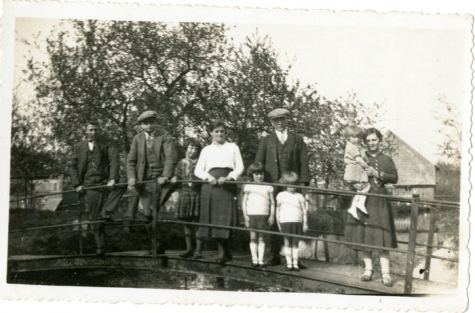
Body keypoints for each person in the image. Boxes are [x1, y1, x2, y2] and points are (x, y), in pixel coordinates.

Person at [254, 108, 310, 267]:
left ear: (287, 120)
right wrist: (260, 184)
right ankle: (274, 256)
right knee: (274, 219)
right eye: (275, 120)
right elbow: (259, 163)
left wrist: (304, 184)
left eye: (282, 119)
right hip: (273, 186)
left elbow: (304, 163)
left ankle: (294, 259)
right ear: (271, 122)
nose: (279, 123)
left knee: (294, 220)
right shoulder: (266, 140)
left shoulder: (297, 140)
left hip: (293, 187)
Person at [344, 128, 399, 287]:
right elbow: (350, 172)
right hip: (364, 199)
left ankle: (385, 273)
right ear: (364, 142)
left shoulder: (386, 158)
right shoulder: (360, 155)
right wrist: (354, 185)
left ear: (379, 140)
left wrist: (377, 173)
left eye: (374, 140)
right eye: (368, 140)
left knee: (382, 236)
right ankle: (368, 270)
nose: (371, 143)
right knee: (365, 234)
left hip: (380, 200)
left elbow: (394, 178)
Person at [70, 120, 125, 255]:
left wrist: (112, 178)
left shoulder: (107, 143)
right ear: (86, 130)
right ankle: (100, 247)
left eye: (96, 130)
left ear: (99, 131)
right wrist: (77, 184)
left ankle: (107, 211)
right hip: (89, 184)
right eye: (91, 130)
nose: (93, 133)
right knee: (95, 216)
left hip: (105, 180)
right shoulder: (79, 146)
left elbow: (114, 160)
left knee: (123, 182)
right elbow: (72, 166)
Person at [126, 110, 178, 255]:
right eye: (145, 123)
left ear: (156, 123)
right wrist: (131, 177)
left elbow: (170, 157)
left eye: (151, 122)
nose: (149, 125)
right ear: (141, 125)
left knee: (152, 212)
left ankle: (157, 247)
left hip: (162, 182)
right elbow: (130, 161)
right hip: (145, 183)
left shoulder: (164, 136)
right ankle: (157, 246)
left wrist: (165, 175)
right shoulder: (137, 139)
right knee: (148, 214)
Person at [194, 119, 244, 264]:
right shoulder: (206, 150)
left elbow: (240, 167)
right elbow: (198, 170)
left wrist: (230, 177)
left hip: (227, 185)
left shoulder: (233, 147)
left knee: (225, 218)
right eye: (216, 131)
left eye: (222, 131)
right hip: (211, 186)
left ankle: (226, 251)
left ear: (225, 132)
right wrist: (207, 176)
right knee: (214, 219)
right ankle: (222, 252)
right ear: (211, 133)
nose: (220, 134)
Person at [170, 138, 203, 259]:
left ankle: (198, 250)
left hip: (196, 194)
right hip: (184, 194)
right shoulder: (180, 163)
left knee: (198, 222)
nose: (193, 151)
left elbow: (204, 177)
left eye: (196, 148)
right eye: (191, 147)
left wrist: (196, 182)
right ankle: (189, 248)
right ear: (186, 148)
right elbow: (177, 177)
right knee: (186, 223)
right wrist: (174, 179)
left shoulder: (200, 162)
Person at [242, 162, 275, 268]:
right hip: (252, 214)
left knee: (261, 238)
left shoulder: (268, 186)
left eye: (261, 174)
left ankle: (261, 260)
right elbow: (244, 202)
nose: (259, 176)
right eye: (256, 174)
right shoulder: (249, 186)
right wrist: (245, 216)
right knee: (253, 238)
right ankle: (254, 259)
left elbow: (272, 202)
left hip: (263, 215)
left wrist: (272, 215)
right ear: (252, 175)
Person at [276, 171, 308, 271]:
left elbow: (304, 211)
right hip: (285, 222)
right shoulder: (281, 195)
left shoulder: (299, 196)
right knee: (287, 243)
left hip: (297, 222)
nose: (292, 187)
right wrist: (278, 223)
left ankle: (295, 264)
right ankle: (289, 264)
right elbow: (278, 210)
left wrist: (305, 223)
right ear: (285, 184)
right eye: (289, 185)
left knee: (295, 244)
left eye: (294, 185)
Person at [342, 126, 371, 220]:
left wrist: (363, 153)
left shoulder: (356, 147)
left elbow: (366, 159)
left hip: (355, 172)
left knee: (360, 189)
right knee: (367, 186)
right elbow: (359, 160)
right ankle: (360, 204)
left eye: (358, 137)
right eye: (353, 137)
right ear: (348, 137)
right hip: (353, 172)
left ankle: (353, 207)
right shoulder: (351, 147)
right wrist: (368, 167)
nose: (356, 139)